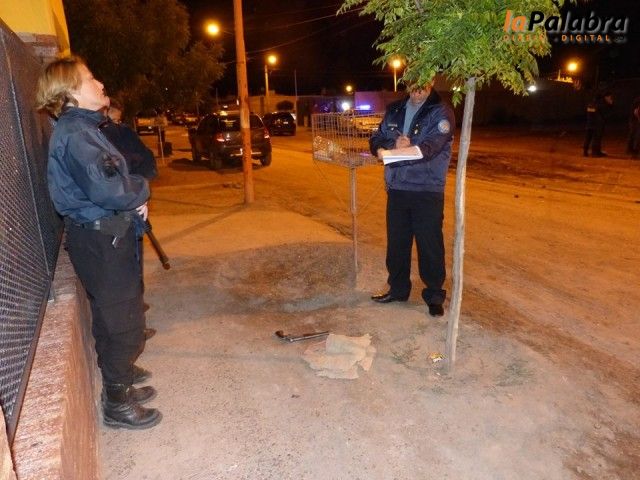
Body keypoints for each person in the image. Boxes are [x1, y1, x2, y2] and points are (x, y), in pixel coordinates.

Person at [36, 56, 161, 429]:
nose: (100, 83)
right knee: (123, 321)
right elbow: (107, 188)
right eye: (90, 78)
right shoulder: (77, 133)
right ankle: (117, 404)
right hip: (100, 238)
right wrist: (140, 190)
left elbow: (105, 182)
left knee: (112, 316)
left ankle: (118, 381)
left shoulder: (81, 128)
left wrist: (130, 197)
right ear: (72, 91)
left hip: (102, 235)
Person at [369, 79, 455, 317]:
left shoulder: (440, 112)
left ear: (432, 81)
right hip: (397, 188)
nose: (417, 90)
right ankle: (398, 290)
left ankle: (434, 295)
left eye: (423, 85)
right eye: (413, 84)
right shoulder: (394, 110)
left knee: (429, 245)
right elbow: (376, 139)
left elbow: (430, 148)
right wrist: (391, 145)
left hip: (427, 189)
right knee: (397, 244)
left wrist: (396, 153)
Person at [102, 98, 158, 341]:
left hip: (115, 211)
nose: (116, 124)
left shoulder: (98, 135)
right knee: (127, 266)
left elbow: (144, 161)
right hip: (117, 213)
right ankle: (133, 323)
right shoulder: (106, 134)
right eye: (114, 119)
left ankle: (134, 316)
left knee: (126, 265)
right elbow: (144, 162)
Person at [583, 91, 614, 157]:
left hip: (589, 123)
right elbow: (605, 113)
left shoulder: (590, 104)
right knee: (596, 139)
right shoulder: (600, 105)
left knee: (588, 138)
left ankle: (585, 152)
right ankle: (595, 153)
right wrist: (610, 105)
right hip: (597, 125)